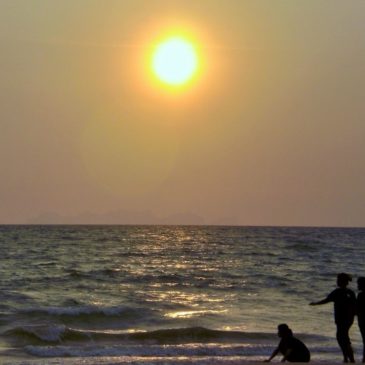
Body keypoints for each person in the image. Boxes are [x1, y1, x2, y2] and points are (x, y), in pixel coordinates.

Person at [310, 273, 356, 363]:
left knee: (342, 338)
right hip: (349, 319)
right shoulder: (350, 292)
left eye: (338, 280)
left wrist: (315, 303)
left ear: (342, 281)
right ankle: (347, 358)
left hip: (341, 319)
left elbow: (326, 300)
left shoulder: (337, 292)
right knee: (344, 337)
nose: (337, 281)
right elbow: (355, 306)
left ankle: (349, 359)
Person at [357, 277, 365, 363]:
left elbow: (357, 308)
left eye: (358, 284)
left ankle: (364, 359)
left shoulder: (361, 295)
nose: (357, 286)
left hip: (362, 321)